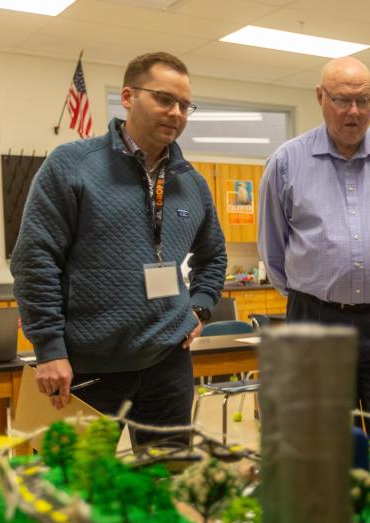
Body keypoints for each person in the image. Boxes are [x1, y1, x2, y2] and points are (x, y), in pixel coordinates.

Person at [12, 52, 226, 445]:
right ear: (128, 97)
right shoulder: (72, 165)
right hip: (87, 367)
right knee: (76, 493)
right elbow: (34, 260)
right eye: (164, 98)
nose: (176, 112)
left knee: (166, 480)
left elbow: (213, 257)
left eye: (184, 104)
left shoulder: (191, 183)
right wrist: (49, 349)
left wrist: (200, 306)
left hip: (168, 364)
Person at [257, 57, 370, 436]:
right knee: (327, 449)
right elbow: (272, 253)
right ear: (320, 97)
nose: (354, 112)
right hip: (315, 323)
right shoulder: (286, 162)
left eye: (364, 101)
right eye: (342, 100)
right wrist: (318, 299)